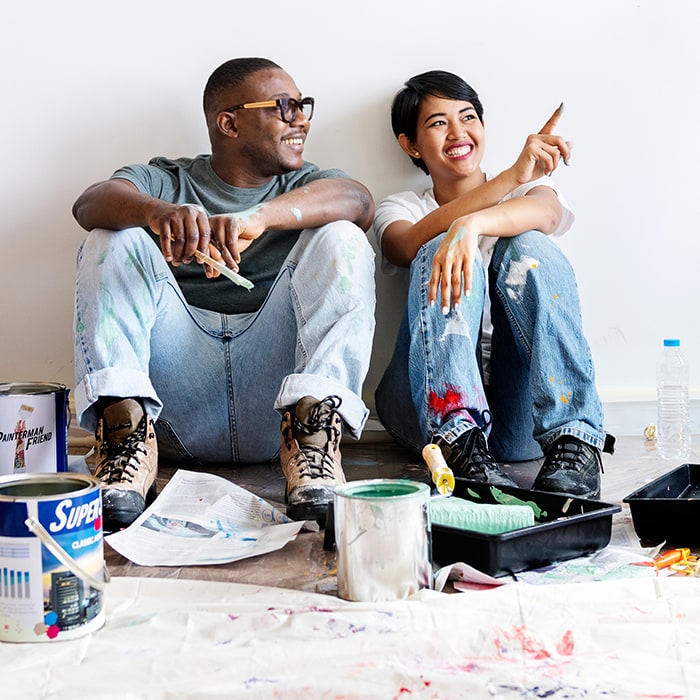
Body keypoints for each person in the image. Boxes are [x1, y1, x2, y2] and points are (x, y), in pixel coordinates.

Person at [72, 57, 376, 530]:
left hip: (275, 409)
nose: (301, 118)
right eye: (283, 106)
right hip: (175, 407)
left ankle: (316, 446)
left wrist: (260, 219)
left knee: (344, 237)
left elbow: (359, 202)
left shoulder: (305, 184)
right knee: (110, 237)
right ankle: (125, 440)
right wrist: (157, 214)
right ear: (228, 122)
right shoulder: (168, 178)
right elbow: (89, 203)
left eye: (302, 106)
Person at [374, 70, 614, 499]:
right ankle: (457, 441)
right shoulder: (402, 206)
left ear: (483, 126)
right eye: (438, 122)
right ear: (410, 144)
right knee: (434, 247)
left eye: (468, 117)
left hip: (517, 413)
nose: (458, 132)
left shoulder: (533, 187)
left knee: (528, 245)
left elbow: (547, 215)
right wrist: (504, 182)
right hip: (422, 407)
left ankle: (575, 438)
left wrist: (474, 224)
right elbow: (405, 246)